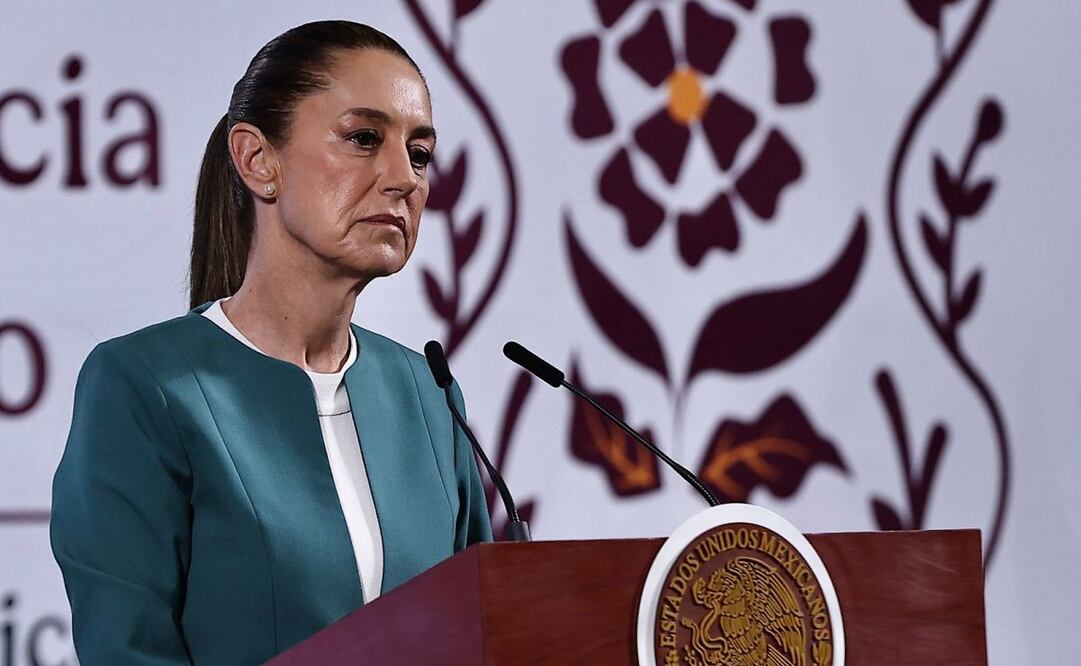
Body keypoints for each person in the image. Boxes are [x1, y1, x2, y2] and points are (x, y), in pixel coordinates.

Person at [49, 20, 492, 665]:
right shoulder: (143, 386)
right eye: (364, 139)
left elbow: (483, 633)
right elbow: (127, 649)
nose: (405, 177)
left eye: (420, 153)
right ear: (259, 160)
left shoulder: (428, 395)